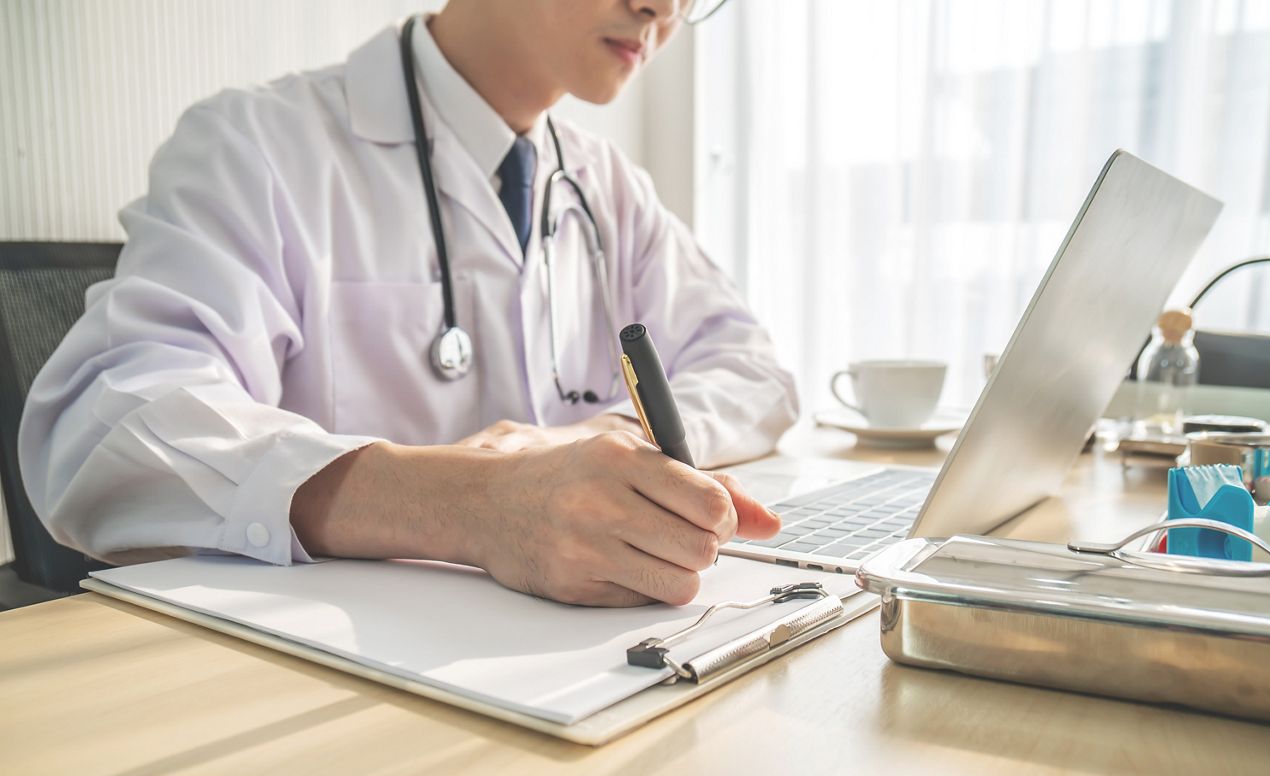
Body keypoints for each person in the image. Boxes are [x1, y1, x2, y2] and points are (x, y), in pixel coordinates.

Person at [19, 0, 798, 608]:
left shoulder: (610, 188)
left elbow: (753, 369)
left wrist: (605, 436)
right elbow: (102, 429)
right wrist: (470, 504)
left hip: (571, 662)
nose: (660, 8)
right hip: (327, 699)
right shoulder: (259, 145)